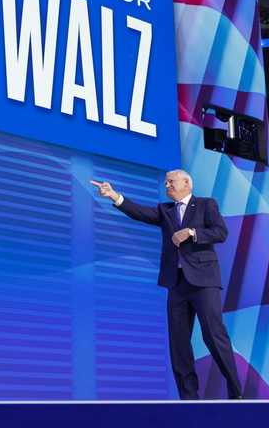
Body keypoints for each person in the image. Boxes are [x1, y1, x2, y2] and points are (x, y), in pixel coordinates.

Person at [90, 170, 242, 400]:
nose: (167, 185)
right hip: (176, 284)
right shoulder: (165, 210)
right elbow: (140, 213)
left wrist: (191, 232)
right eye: (165, 182)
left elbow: (220, 233)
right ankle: (188, 398)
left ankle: (237, 393)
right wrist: (113, 195)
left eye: (171, 181)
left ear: (186, 182)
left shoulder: (205, 204)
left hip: (203, 282)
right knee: (178, 343)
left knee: (213, 335)